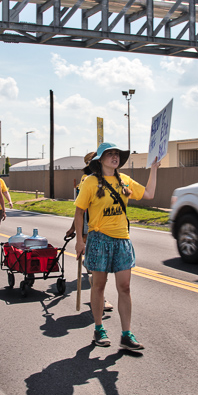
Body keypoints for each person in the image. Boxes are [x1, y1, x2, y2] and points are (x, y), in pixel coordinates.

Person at [74, 142, 159, 351]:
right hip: (99, 239)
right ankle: (98, 328)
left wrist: (154, 169)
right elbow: (79, 212)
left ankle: (126, 334)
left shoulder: (125, 180)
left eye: (117, 154)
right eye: (110, 154)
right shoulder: (91, 182)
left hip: (122, 240)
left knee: (125, 287)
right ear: (100, 160)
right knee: (99, 286)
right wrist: (79, 240)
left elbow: (148, 194)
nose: (115, 157)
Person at [66, 151, 113, 312]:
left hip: (104, 226)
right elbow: (80, 209)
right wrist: (75, 230)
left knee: (97, 264)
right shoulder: (87, 180)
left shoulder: (107, 177)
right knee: (96, 265)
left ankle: (98, 294)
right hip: (90, 225)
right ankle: (101, 298)